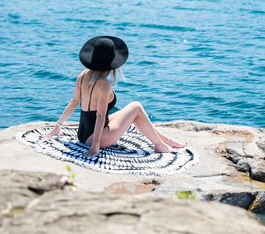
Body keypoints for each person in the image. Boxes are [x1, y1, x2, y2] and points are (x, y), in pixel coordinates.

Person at [44, 35, 186, 157]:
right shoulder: (103, 84)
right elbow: (100, 116)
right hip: (96, 138)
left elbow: (74, 102)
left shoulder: (82, 75)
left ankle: (164, 141)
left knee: (135, 111)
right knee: (136, 106)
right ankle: (159, 145)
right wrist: (95, 146)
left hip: (82, 134)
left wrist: (58, 125)